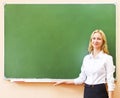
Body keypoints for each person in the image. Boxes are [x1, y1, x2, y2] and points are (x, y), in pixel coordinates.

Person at [54, 29, 115, 98]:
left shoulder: (107, 58)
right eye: (94, 38)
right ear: (91, 41)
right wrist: (65, 81)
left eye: (99, 39)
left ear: (103, 42)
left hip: (100, 91)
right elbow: (81, 79)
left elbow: (110, 81)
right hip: (87, 91)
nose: (95, 41)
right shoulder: (86, 58)